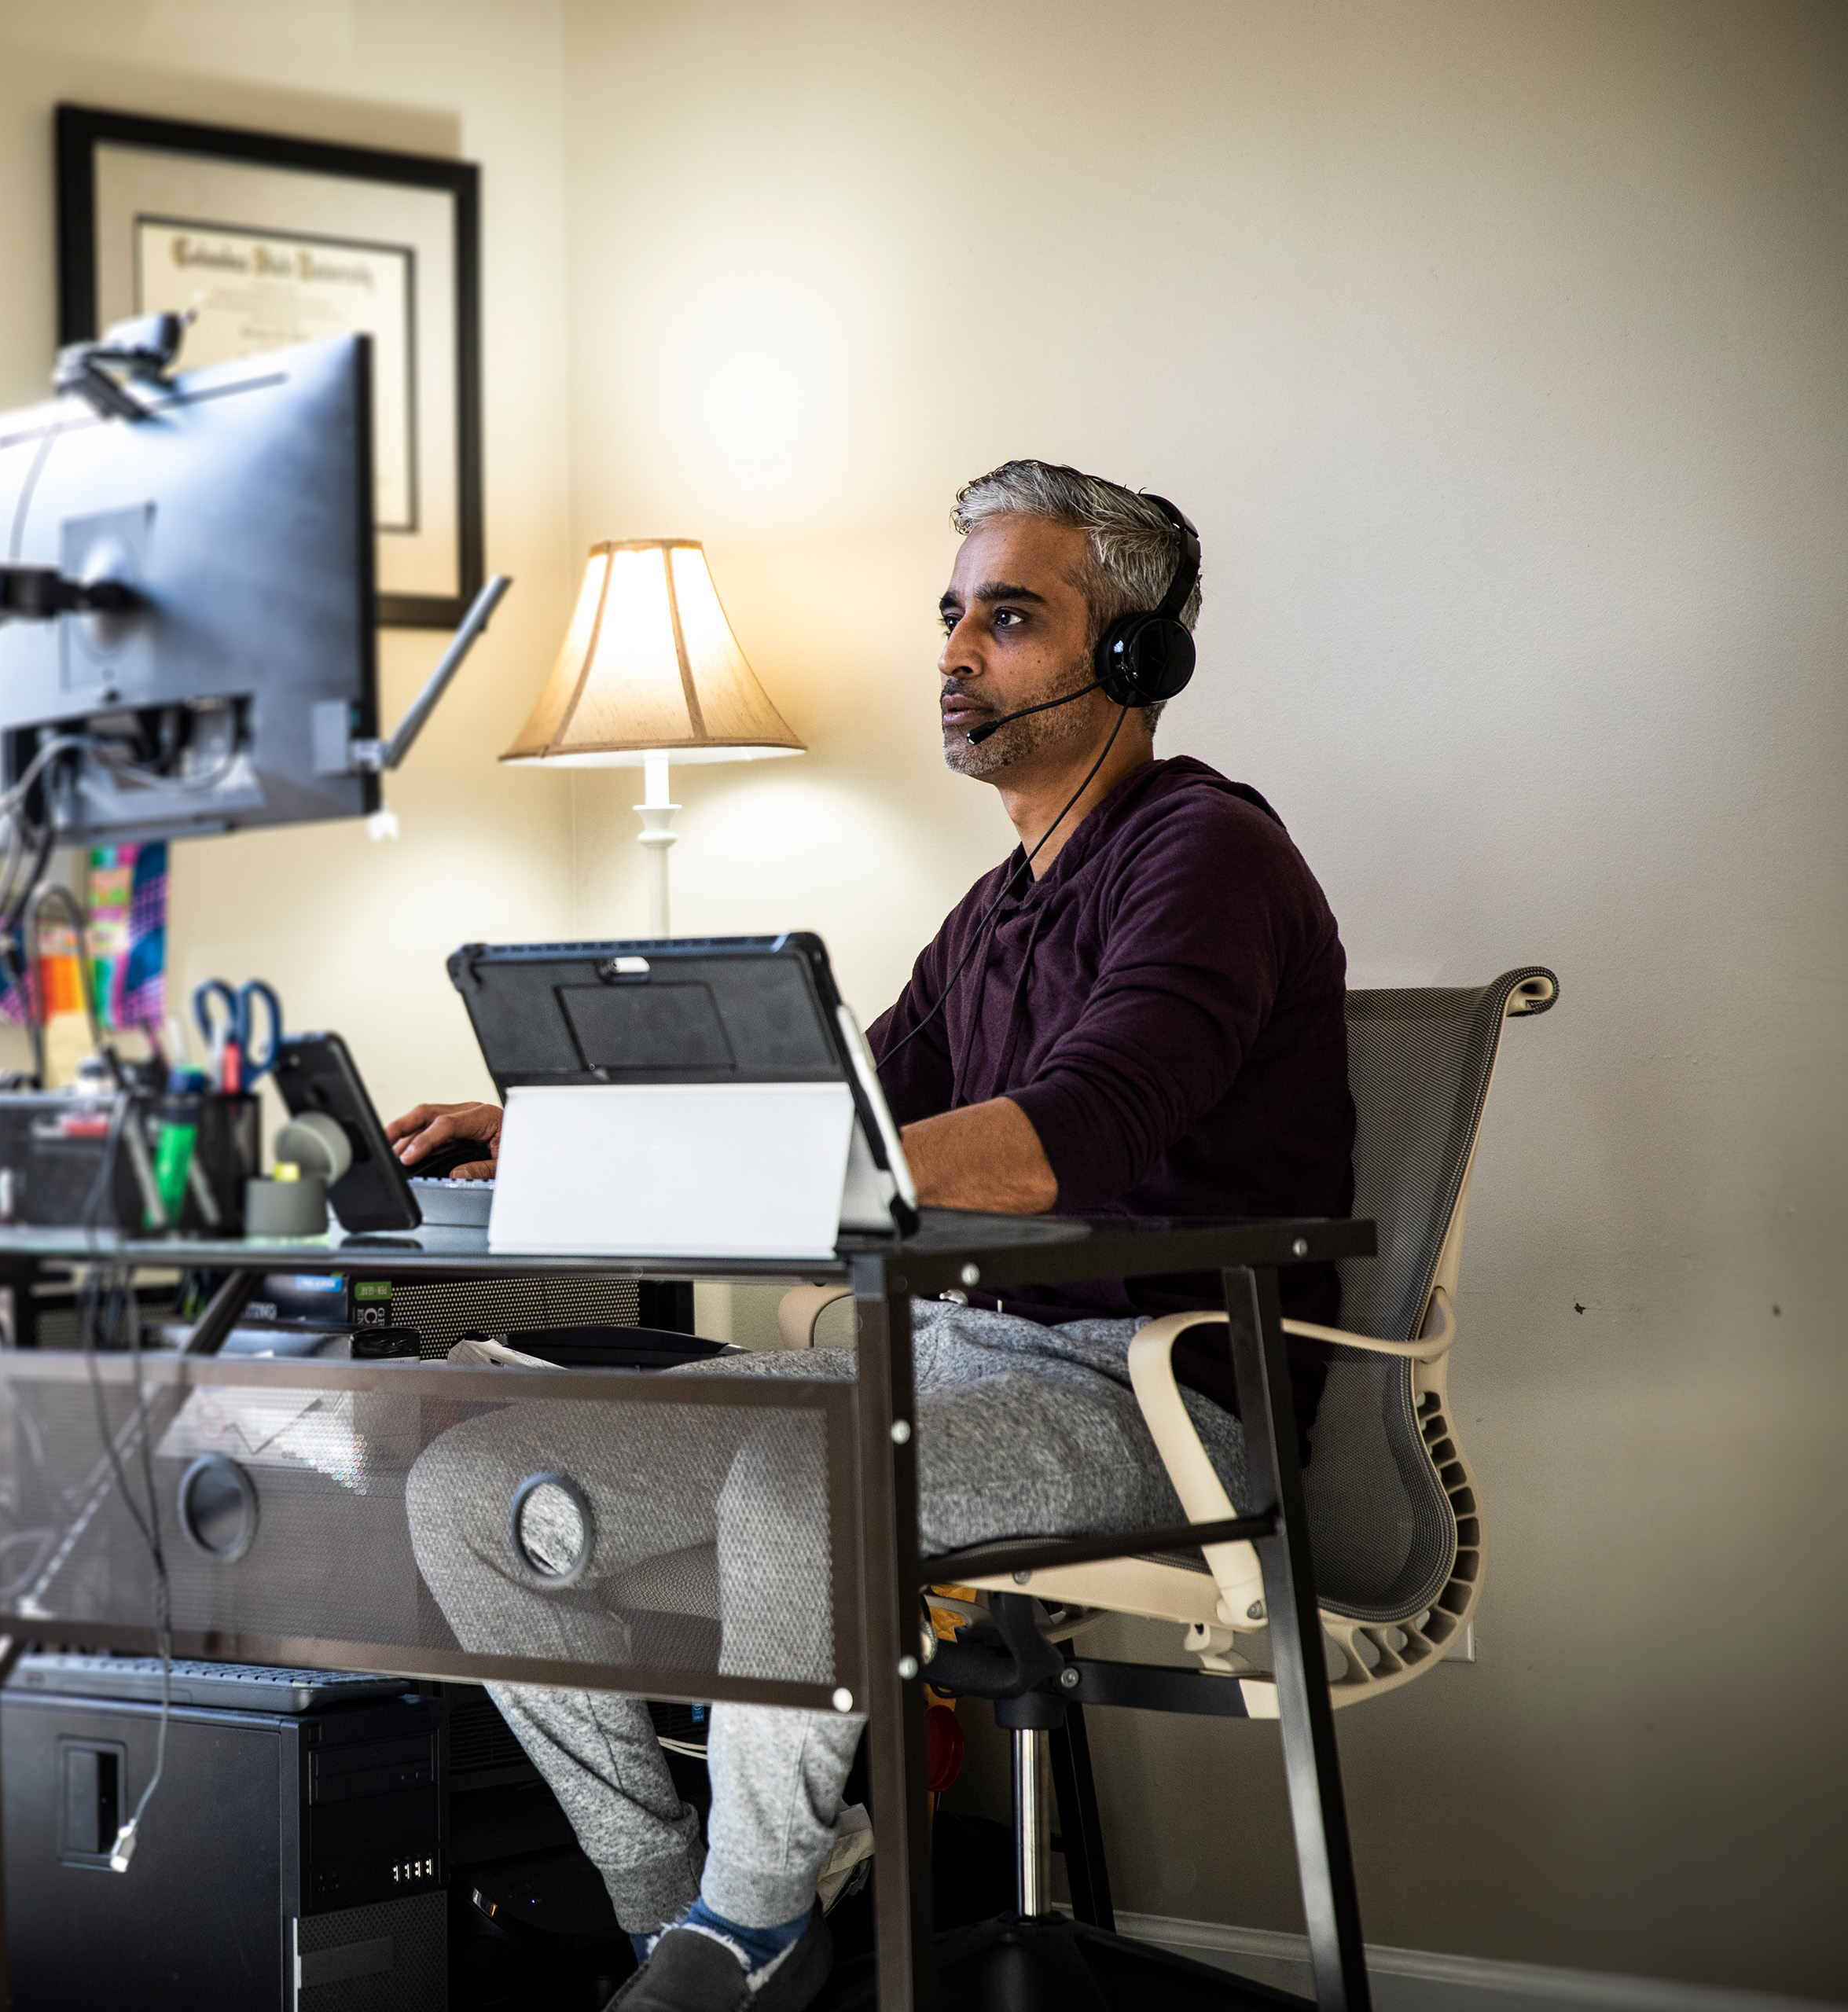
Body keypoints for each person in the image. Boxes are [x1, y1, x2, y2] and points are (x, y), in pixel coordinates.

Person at [392, 461, 1353, 2012]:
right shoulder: (993, 910)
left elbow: (1062, 1142)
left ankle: (754, 1921)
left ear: (1133, 660)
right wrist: (549, 1128)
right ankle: (679, 1920)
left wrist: (760, 1163)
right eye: (952, 614)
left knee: (805, 1478)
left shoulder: (1208, 855)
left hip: (1159, 1399)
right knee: (473, 1483)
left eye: (1012, 617)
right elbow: (844, 1100)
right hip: (942, 1366)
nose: (956, 653)